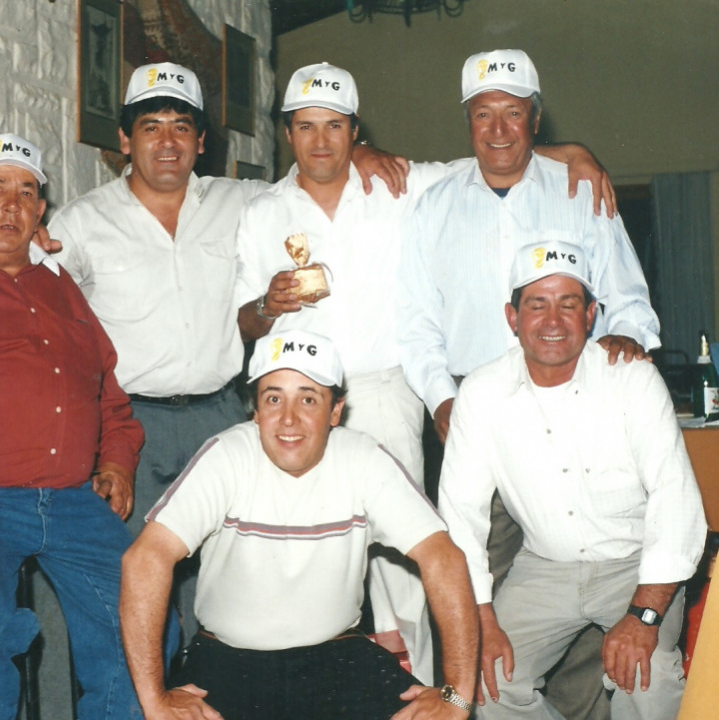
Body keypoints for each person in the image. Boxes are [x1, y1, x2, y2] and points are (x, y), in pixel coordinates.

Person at [234, 61, 618, 683]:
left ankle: (414, 691)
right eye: (306, 126)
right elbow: (244, 324)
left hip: (382, 390)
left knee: (404, 555)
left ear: (356, 129)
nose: (321, 141)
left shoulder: (399, 184)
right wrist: (266, 305)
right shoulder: (261, 211)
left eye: (335, 126)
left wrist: (573, 153)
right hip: (294, 401)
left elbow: (495, 157)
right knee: (297, 548)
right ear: (287, 133)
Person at [44, 61, 405, 647]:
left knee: (228, 586)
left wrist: (360, 151)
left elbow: (315, 170)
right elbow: (36, 302)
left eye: (182, 127)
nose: (167, 142)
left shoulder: (242, 201)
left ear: (202, 141)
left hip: (218, 417)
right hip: (130, 427)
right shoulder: (82, 221)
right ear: (124, 140)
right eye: (151, 127)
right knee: (138, 581)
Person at [398, 49, 661, 716]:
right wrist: (442, 398)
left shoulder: (579, 187)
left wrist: (627, 341)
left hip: (575, 401)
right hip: (474, 411)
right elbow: (415, 323)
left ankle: (579, 711)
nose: (498, 129)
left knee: (579, 567)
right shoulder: (433, 205)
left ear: (535, 119)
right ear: (467, 120)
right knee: (477, 581)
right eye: (483, 114)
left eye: (513, 113)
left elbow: (627, 296)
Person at [0, 134, 166, 720]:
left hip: (69, 499)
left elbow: (108, 393)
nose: (12, 205)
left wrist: (116, 461)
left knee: (147, 618)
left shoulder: (60, 284)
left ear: (41, 210)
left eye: (26, 192)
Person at [120, 329, 479, 719]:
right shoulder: (227, 456)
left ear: (335, 411)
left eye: (308, 399)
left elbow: (443, 558)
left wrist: (456, 696)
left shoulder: (363, 458)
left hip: (338, 657)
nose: (288, 419)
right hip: (229, 661)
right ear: (255, 411)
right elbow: (145, 559)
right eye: (273, 399)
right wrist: (154, 698)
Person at [438, 241, 706, 719]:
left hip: (634, 564)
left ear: (590, 315)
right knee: (489, 680)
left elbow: (676, 498)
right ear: (512, 317)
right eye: (536, 304)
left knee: (644, 676)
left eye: (568, 304)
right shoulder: (481, 393)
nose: (553, 320)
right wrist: (480, 618)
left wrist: (644, 615)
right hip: (545, 565)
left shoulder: (633, 379)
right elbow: (461, 517)